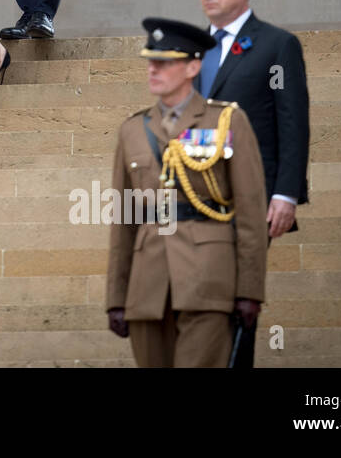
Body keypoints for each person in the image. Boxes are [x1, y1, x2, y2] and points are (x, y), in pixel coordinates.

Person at [106, 18, 269, 368]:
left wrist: (249, 289)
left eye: (165, 62)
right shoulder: (132, 130)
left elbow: (252, 211)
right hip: (147, 285)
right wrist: (117, 297)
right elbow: (123, 221)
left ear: (193, 66)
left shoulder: (226, 121)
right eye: (151, 60)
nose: (153, 69)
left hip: (208, 279)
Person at [193, 0, 311, 366]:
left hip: (251, 200)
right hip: (197, 198)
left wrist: (287, 195)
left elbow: (293, 123)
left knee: (235, 297)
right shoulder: (192, 50)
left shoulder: (278, 46)